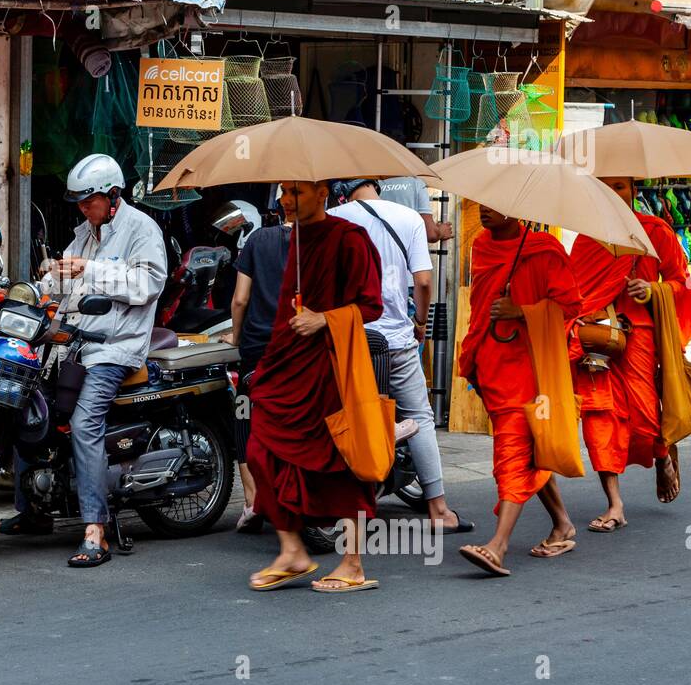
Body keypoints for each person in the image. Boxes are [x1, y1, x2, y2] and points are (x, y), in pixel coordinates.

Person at [0, 154, 167, 568]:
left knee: (86, 422)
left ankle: (95, 530)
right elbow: (60, 279)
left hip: (115, 347)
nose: (83, 208)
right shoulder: (85, 233)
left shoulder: (142, 230)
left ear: (113, 196)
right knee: (29, 404)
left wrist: (91, 270)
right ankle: (33, 511)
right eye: (81, 203)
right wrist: (46, 280)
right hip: (74, 344)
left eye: (90, 201)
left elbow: (147, 284)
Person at [246, 179, 385, 594]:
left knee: (340, 462)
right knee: (259, 450)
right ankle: (292, 550)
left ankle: (353, 563)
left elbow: (372, 304)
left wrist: (325, 318)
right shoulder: (296, 239)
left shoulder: (349, 238)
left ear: (323, 191)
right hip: (289, 362)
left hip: (330, 365)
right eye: (284, 191)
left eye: (298, 191)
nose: (286, 200)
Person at [331, 178, 473, 535]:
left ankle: (349, 508)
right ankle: (439, 509)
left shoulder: (333, 217)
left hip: (350, 340)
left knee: (347, 416)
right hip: (396, 338)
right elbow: (423, 281)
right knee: (420, 418)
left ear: (343, 190)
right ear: (376, 185)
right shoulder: (408, 218)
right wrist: (420, 322)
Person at [456, 206, 583, 577]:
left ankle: (497, 546)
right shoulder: (481, 246)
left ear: (517, 210)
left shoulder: (543, 249)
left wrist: (522, 310)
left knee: (512, 452)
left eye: (495, 205)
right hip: (489, 363)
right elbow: (479, 308)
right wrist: (474, 360)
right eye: (482, 203)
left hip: (529, 369)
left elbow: (571, 306)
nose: (484, 210)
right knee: (530, 450)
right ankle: (562, 523)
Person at [570, 176, 691, 531]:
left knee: (643, 415)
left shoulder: (655, 231)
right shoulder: (586, 237)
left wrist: (653, 289)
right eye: (606, 187)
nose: (614, 193)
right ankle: (614, 503)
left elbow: (682, 281)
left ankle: (661, 453)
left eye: (621, 186)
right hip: (596, 337)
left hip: (638, 335)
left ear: (634, 192)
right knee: (599, 415)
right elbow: (573, 291)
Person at [228, 187, 294, 533]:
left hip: (256, 351)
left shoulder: (257, 241)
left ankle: (252, 501)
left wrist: (236, 337)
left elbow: (240, 299)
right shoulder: (318, 242)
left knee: (245, 417)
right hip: (298, 349)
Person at [377, 176, 453, 243]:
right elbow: (431, 234)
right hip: (407, 255)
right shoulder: (416, 183)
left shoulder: (372, 185)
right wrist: (442, 231)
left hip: (377, 252)